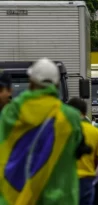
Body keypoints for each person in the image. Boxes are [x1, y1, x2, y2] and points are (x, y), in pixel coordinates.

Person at [0, 58, 87, 204]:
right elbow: (79, 146)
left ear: (31, 82)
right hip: (59, 199)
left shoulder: (12, 111)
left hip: (17, 196)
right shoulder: (70, 116)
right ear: (57, 84)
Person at [68, 98, 98, 205]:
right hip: (85, 180)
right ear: (85, 112)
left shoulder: (58, 129)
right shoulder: (95, 132)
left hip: (64, 181)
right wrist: (94, 179)